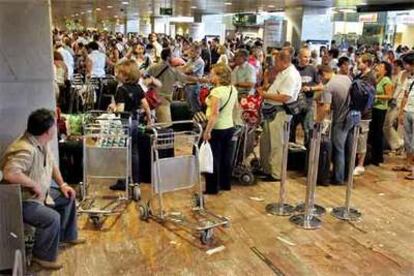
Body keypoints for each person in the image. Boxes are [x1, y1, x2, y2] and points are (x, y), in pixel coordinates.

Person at [0, 109, 84, 270]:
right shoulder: (25, 149)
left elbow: (51, 164)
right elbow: (10, 173)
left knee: (68, 197)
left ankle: (66, 236)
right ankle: (41, 257)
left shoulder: (40, 141)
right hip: (22, 200)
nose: (56, 128)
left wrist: (63, 184)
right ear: (47, 131)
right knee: (51, 218)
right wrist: (33, 184)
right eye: (54, 126)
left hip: (41, 193)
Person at [257, 49, 301, 181]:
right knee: (266, 142)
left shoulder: (291, 75)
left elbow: (285, 97)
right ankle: (267, 169)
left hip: (280, 112)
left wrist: (264, 95)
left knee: (277, 144)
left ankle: (276, 173)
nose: (274, 64)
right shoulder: (282, 73)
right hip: (271, 111)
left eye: (276, 61)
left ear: (283, 61)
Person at [108, 60, 152, 190]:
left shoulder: (121, 90)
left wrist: (112, 107)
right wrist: (149, 120)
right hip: (136, 122)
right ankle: (135, 180)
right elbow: (146, 106)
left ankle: (123, 181)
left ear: (125, 75)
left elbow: (121, 110)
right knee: (134, 151)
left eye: (119, 73)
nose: (116, 75)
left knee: (122, 152)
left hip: (124, 124)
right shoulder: (138, 88)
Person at [203, 64, 239, 194]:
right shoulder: (232, 89)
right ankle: (225, 184)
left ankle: (212, 188)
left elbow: (214, 114)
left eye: (212, 74)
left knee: (213, 158)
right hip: (229, 126)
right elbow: (236, 107)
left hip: (216, 128)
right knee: (226, 158)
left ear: (219, 76)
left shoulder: (216, 92)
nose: (210, 76)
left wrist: (207, 131)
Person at [318, 64, 354, 184]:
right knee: (349, 149)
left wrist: (318, 121)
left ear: (324, 74)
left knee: (339, 149)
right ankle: (347, 176)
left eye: (321, 78)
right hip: (353, 118)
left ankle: (338, 178)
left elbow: (326, 108)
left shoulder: (329, 86)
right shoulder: (346, 78)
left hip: (340, 120)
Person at [146, 48, 200, 122]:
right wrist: (202, 80)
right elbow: (185, 77)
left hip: (152, 98)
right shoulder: (171, 70)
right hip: (164, 99)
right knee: (164, 124)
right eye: (172, 56)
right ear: (168, 57)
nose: (174, 57)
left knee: (151, 120)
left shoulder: (153, 67)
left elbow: (145, 77)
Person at [290, 48, 323, 146]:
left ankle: (307, 154)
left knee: (308, 130)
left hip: (308, 105)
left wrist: (310, 88)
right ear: (299, 57)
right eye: (305, 57)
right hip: (294, 105)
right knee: (291, 129)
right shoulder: (293, 69)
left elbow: (321, 86)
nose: (307, 59)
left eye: (309, 57)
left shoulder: (312, 69)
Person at [354, 54, 377, 176]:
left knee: (362, 138)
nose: (358, 64)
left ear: (367, 63)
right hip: (356, 112)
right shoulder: (359, 75)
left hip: (364, 114)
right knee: (356, 137)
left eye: (360, 62)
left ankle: (360, 164)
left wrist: (363, 111)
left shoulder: (370, 78)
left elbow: (369, 98)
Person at [367, 61, 394, 166]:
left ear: (386, 70)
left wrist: (376, 97)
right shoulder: (377, 78)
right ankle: (372, 155)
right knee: (373, 132)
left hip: (380, 109)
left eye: (381, 66)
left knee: (378, 133)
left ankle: (378, 157)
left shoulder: (386, 80)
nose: (378, 67)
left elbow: (389, 96)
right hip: (374, 108)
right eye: (379, 66)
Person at [397, 52, 414, 179]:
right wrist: (401, 112)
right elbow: (406, 96)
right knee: (408, 141)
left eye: (407, 64)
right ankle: (408, 164)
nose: (406, 67)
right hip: (408, 111)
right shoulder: (409, 79)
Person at [384, 59, 406, 152]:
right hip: (393, 102)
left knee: (388, 124)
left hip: (398, 102)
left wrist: (395, 99)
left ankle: (399, 144)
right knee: (387, 125)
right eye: (393, 65)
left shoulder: (403, 74)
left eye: (396, 66)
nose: (394, 67)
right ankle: (397, 144)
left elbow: (400, 90)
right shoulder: (393, 75)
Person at [182, 44, 205, 113]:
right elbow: (182, 69)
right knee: (189, 107)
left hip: (194, 86)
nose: (189, 52)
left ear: (197, 52)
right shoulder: (191, 60)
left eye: (192, 51)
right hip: (187, 85)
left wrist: (184, 70)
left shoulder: (200, 62)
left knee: (195, 107)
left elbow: (188, 71)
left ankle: (197, 123)